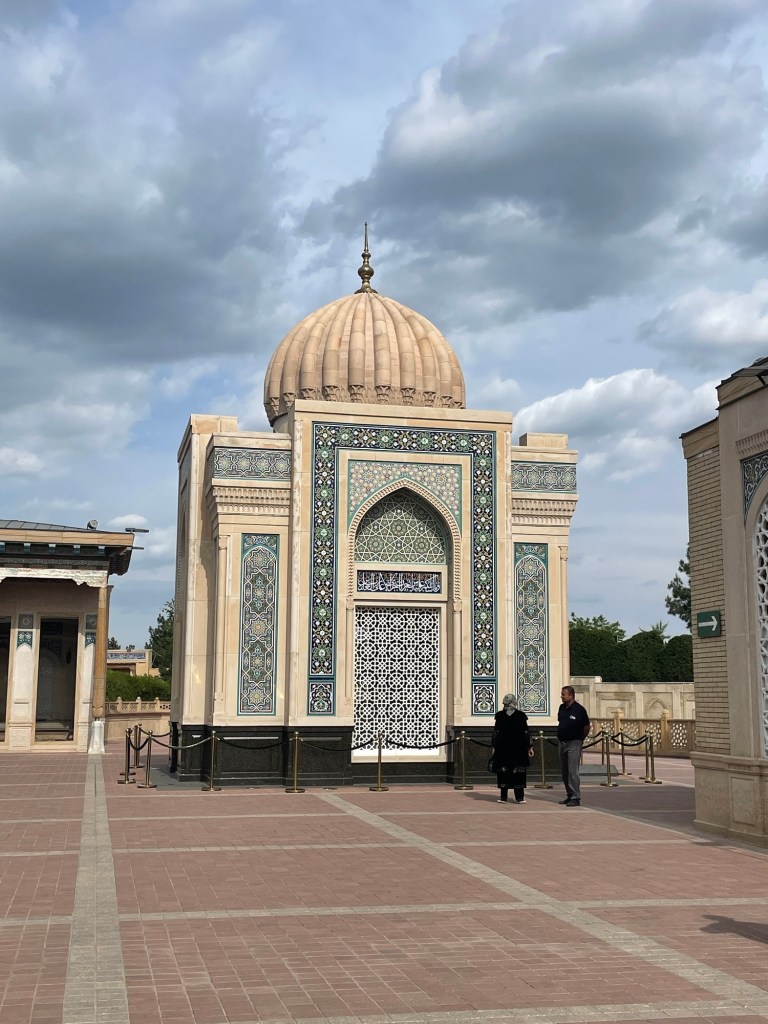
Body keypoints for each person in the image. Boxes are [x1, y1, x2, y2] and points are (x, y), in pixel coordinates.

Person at [491, 693, 533, 803]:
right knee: (516, 772)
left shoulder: (500, 715)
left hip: (504, 749)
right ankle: (519, 797)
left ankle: (504, 797)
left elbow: (496, 732)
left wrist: (494, 746)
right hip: (517, 749)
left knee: (505, 772)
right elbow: (526, 732)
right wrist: (529, 746)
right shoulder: (520, 715)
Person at [557, 685, 590, 806]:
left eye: (563, 694)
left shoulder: (579, 710)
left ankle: (576, 797)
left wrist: (580, 739)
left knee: (572, 771)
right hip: (562, 742)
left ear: (570, 696)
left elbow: (586, 727)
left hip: (574, 743)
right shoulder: (562, 708)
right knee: (565, 771)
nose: (561, 696)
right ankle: (570, 794)